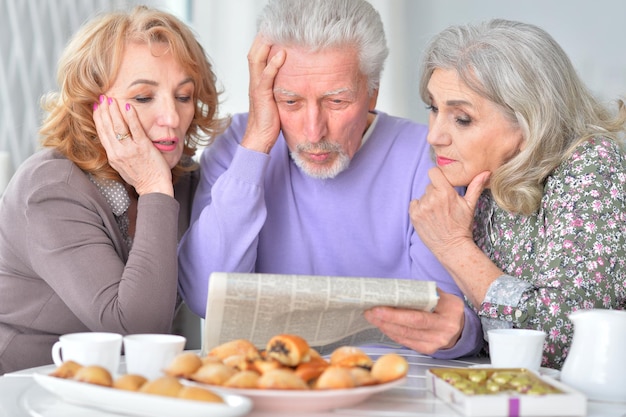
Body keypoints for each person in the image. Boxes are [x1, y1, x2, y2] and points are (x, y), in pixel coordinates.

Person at [178, 0, 483, 359]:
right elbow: (204, 297)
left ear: (372, 91)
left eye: (336, 101)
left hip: (393, 388)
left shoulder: (427, 156)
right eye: (290, 101)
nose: (313, 130)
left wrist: (459, 333)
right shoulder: (238, 147)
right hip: (264, 385)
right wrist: (257, 144)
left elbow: (443, 324)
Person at [0, 5, 225, 373]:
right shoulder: (49, 188)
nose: (171, 118)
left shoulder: (184, 178)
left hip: (121, 389)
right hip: (21, 387)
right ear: (93, 107)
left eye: (183, 96)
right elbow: (136, 330)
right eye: (143, 97)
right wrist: (154, 187)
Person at [410, 18, 626, 369]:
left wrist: (454, 248)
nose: (434, 136)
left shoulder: (593, 163)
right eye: (434, 108)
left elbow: (564, 340)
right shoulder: (474, 176)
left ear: (529, 120)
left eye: (462, 118)